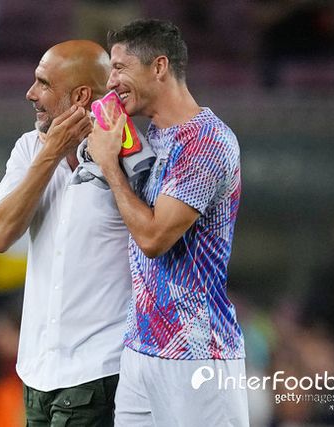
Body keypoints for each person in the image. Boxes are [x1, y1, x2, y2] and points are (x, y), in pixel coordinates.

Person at [87, 19, 249, 426]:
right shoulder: (153, 137)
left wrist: (110, 165)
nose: (110, 82)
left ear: (159, 66)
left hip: (197, 354)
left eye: (120, 68)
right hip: (141, 347)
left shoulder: (206, 142)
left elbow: (154, 237)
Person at [0, 40, 132, 426]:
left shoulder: (130, 155)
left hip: (99, 371)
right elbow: (0, 234)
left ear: (80, 96)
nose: (30, 93)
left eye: (44, 83)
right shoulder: (29, 148)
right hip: (37, 372)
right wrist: (50, 153)